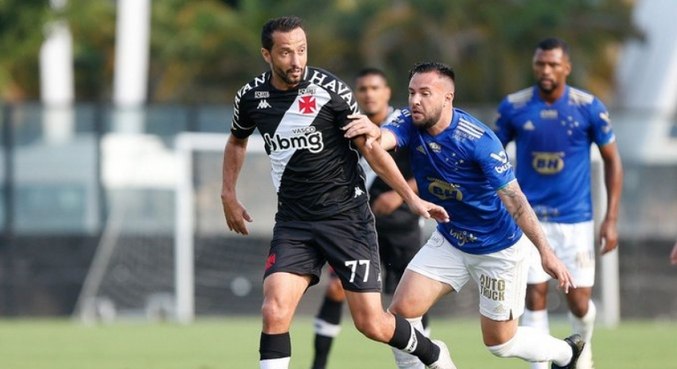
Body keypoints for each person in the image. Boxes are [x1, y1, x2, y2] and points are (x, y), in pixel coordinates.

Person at [221, 16, 454, 369]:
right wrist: (228, 194)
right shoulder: (251, 97)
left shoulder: (328, 89)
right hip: (294, 224)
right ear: (266, 55)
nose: (296, 60)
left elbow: (371, 151)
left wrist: (412, 198)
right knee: (274, 310)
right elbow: (237, 141)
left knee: (371, 323)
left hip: (347, 220)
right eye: (286, 53)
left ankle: (433, 354)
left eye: (301, 50)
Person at [343, 61, 584, 369]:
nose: (415, 100)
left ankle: (566, 354)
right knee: (400, 315)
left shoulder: (478, 141)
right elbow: (383, 139)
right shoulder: (407, 120)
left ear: (448, 97)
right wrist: (374, 131)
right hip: (451, 240)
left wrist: (546, 253)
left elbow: (516, 201)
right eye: (411, 92)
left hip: (498, 250)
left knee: (501, 343)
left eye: (425, 93)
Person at [493, 38, 624, 369]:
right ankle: (542, 365)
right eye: (540, 64)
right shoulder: (514, 106)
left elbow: (612, 161)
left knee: (578, 303)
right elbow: (491, 156)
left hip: (575, 222)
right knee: (534, 296)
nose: (546, 70)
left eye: (553, 64)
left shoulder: (588, 107)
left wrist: (610, 219)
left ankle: (584, 347)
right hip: (530, 221)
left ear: (566, 67)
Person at [310, 68, 429, 369]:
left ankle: (425, 359)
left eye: (375, 88)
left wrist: (401, 194)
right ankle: (318, 364)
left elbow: (431, 168)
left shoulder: (405, 124)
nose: (369, 94)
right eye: (362, 89)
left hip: (403, 227)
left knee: (413, 299)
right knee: (336, 288)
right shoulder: (343, 127)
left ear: (387, 92)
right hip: (359, 229)